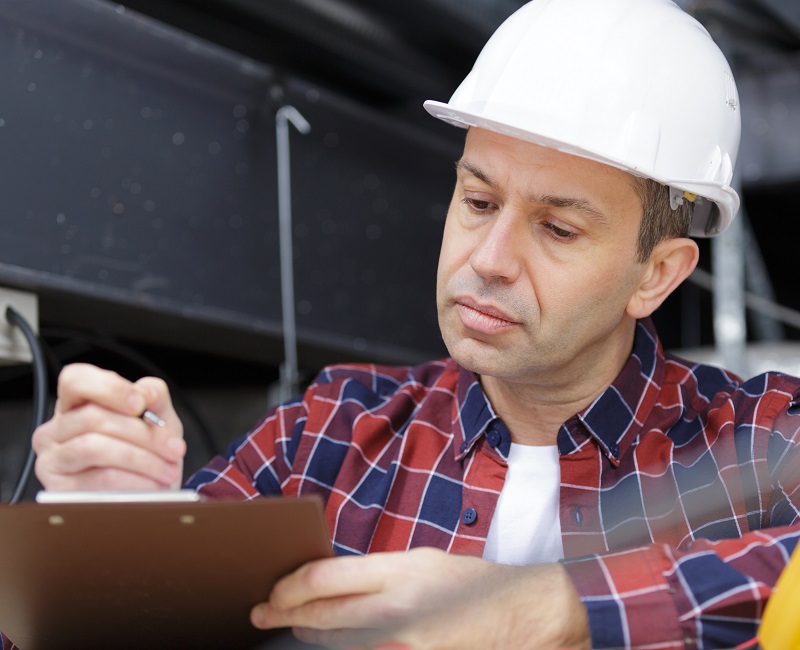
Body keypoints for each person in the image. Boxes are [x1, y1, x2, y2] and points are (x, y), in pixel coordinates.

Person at [13, 0, 800, 648]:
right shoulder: (327, 438)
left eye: (558, 230)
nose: (488, 259)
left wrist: (545, 608)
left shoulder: (763, 440)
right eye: (479, 201)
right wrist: (105, 529)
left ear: (655, 275)